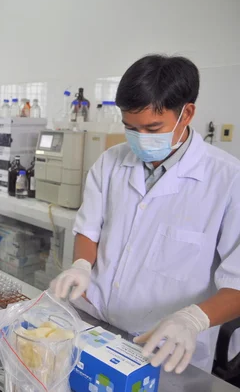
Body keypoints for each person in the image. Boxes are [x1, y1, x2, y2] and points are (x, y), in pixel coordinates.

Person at [50, 55, 240, 374]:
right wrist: (82, 264)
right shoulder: (110, 163)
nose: (140, 138)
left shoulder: (228, 180)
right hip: (94, 324)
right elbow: (89, 229)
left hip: (164, 348)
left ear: (187, 113)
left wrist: (193, 319)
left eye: (152, 128)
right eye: (130, 128)